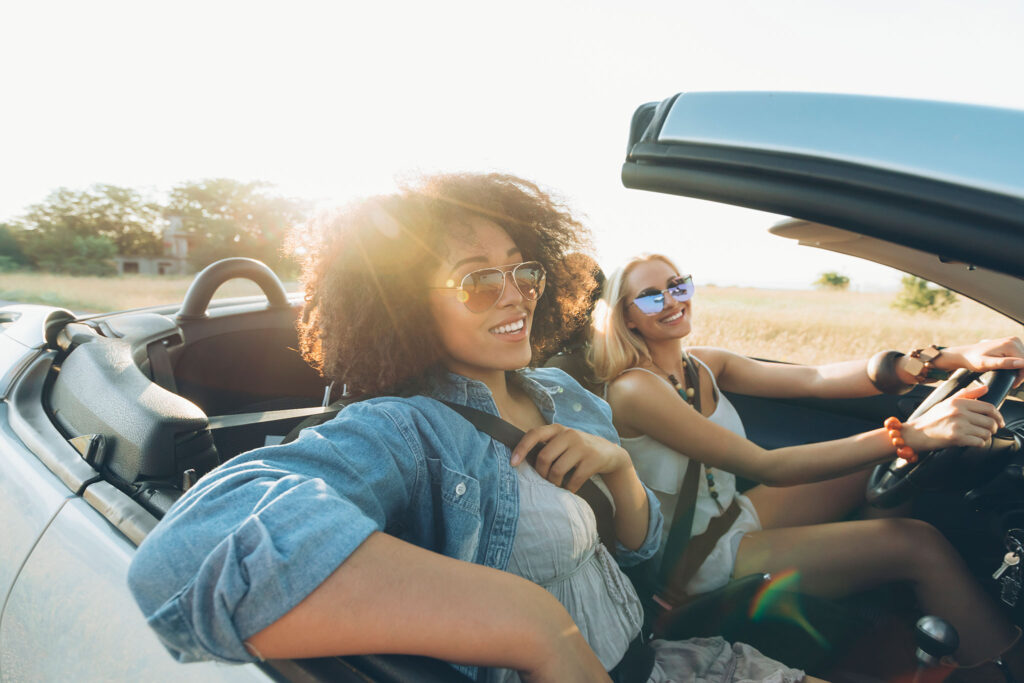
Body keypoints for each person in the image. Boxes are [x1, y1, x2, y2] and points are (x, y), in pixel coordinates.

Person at [127, 175, 814, 683]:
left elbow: (643, 560)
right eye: (476, 281)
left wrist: (620, 471)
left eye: (523, 268)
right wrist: (532, 624)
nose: (515, 292)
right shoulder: (405, 428)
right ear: (404, 307)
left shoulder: (564, 393)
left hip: (673, 663)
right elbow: (186, 556)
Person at [589, 252, 1024, 679]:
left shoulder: (701, 364)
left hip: (728, 517)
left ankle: (881, 598)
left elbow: (816, 379)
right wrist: (912, 433)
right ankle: (1001, 666)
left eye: (677, 285)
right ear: (626, 317)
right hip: (695, 559)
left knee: (876, 466)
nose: (671, 300)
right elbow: (767, 465)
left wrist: (949, 357)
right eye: (650, 296)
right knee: (917, 542)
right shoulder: (633, 389)